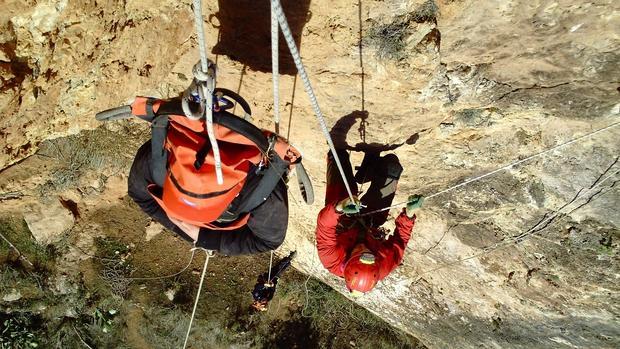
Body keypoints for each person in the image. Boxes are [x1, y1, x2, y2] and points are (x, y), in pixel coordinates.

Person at [128, 140, 288, 255]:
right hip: (189, 139)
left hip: (253, 167)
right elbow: (140, 195)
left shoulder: (255, 197)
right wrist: (194, 233)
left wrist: (205, 239)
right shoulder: (157, 167)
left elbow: (269, 242)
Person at [315, 148, 423, 296]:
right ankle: (370, 170)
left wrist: (339, 208)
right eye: (369, 253)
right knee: (392, 166)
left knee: (337, 154)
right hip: (370, 220)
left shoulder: (331, 259)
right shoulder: (382, 267)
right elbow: (400, 240)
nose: (363, 248)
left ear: (349, 261)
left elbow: (324, 226)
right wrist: (409, 215)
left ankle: (355, 170)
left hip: (343, 216)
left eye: (359, 252)